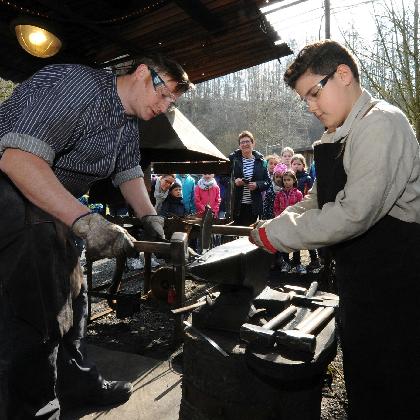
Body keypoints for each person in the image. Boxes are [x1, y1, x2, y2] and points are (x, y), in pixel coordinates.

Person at [0, 54, 193, 419]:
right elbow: (17, 159)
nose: (166, 106)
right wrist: (86, 222)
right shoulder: (78, 85)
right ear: (141, 73)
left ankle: (75, 385)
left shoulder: (126, 123)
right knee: (36, 313)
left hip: (49, 206)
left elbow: (128, 172)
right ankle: (34, 409)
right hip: (10, 192)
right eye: (165, 94)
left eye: (173, 103)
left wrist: (150, 217)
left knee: (74, 299)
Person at [249, 39, 420, 419]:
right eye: (304, 99)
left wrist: (274, 237)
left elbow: (353, 213)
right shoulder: (336, 136)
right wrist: (273, 224)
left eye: (314, 93)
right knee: (365, 381)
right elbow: (317, 200)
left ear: (343, 74)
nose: (311, 107)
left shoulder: (382, 124)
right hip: (361, 283)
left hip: (398, 287)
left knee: (396, 387)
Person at [229, 130, 270, 226]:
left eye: (247, 141)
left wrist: (257, 185)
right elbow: (223, 178)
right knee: (233, 233)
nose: (245, 144)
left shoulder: (261, 161)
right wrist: (234, 182)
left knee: (248, 235)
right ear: (239, 145)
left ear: (253, 143)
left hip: (253, 205)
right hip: (236, 204)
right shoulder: (233, 159)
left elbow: (267, 182)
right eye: (242, 142)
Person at [291, 153, 321, 271]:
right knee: (295, 236)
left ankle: (314, 259)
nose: (296, 166)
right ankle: (296, 260)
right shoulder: (290, 177)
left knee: (306, 236)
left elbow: (309, 194)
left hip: (304, 209)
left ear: (304, 165)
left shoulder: (307, 178)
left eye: (299, 164)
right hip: (293, 209)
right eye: (294, 164)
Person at [272, 170, 305, 274]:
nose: (286, 182)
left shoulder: (298, 193)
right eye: (285, 180)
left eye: (289, 180)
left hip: (294, 222)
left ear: (294, 180)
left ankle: (297, 263)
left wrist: (298, 219)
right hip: (283, 223)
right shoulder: (279, 194)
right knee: (284, 243)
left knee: (295, 243)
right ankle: (286, 263)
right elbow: (276, 207)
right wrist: (278, 217)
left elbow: (301, 207)